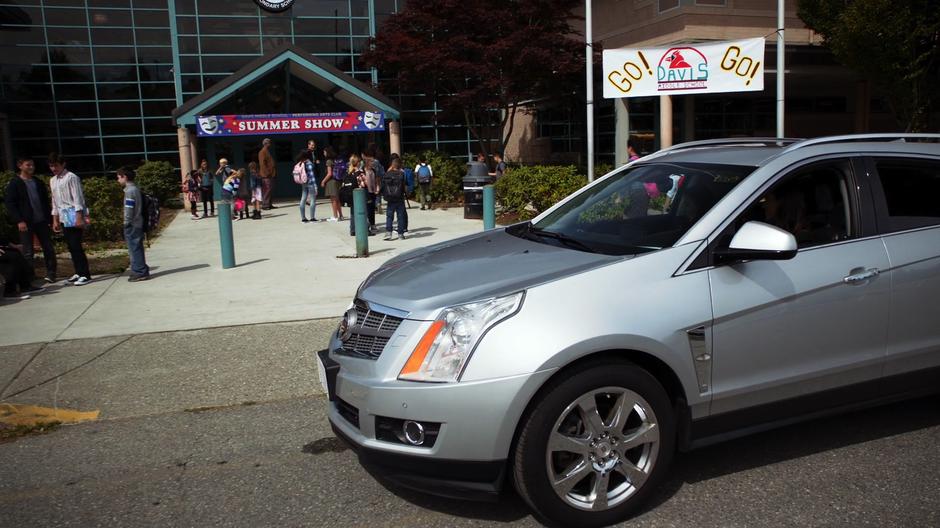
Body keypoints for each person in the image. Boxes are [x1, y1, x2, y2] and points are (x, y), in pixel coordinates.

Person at [4, 155, 57, 283]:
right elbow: (10, 204)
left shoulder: (38, 182)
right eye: (28, 165)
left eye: (32, 165)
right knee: (28, 251)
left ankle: (51, 273)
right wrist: (19, 220)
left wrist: (50, 219)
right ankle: (29, 277)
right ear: (20, 166)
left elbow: (46, 201)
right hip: (26, 222)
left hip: (41, 220)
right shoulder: (14, 183)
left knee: (48, 247)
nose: (31, 167)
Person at [48, 152, 91, 286]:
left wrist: (79, 217)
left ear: (63, 164)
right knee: (71, 246)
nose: (54, 169)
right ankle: (78, 271)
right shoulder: (53, 180)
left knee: (76, 245)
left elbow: (78, 198)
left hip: (73, 213)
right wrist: (55, 219)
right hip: (63, 214)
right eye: (51, 166)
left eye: (56, 166)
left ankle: (85, 273)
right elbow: (54, 201)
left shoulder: (71, 177)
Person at [116, 166, 150, 282]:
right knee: (137, 247)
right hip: (138, 222)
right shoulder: (135, 189)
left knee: (134, 248)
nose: (118, 180)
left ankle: (140, 271)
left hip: (132, 224)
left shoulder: (129, 191)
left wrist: (125, 223)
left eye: (119, 177)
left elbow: (129, 209)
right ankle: (140, 269)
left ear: (124, 177)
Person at [380, 158, 408, 240]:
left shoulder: (387, 174)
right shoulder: (401, 174)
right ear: (400, 166)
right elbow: (404, 186)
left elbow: (383, 186)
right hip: (399, 197)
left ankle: (388, 233)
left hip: (390, 198)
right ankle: (400, 234)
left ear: (392, 165)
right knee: (400, 216)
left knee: (389, 216)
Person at [343, 154, 367, 237]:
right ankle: (364, 228)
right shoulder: (359, 173)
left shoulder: (348, 172)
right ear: (358, 163)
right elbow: (364, 184)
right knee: (361, 212)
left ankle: (352, 229)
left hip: (350, 195)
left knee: (353, 213)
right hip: (359, 195)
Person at [322, 146, 345, 221]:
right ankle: (341, 215)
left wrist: (323, 181)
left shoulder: (329, 161)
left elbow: (329, 173)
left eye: (324, 151)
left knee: (333, 200)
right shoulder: (336, 160)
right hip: (338, 181)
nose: (323, 153)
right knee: (337, 199)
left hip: (331, 182)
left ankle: (335, 216)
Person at [295, 149, 318, 223]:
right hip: (310, 183)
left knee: (303, 199)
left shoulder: (300, 162)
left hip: (303, 183)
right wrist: (315, 186)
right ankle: (312, 217)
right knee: (313, 200)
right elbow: (312, 176)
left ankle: (303, 218)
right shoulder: (309, 163)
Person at [259, 138, 276, 209]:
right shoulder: (262, 152)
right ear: (266, 144)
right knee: (267, 189)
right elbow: (262, 164)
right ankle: (265, 205)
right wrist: (267, 172)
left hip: (271, 174)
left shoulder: (267, 151)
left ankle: (269, 204)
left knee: (270, 189)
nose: (270, 144)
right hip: (266, 175)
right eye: (269, 143)